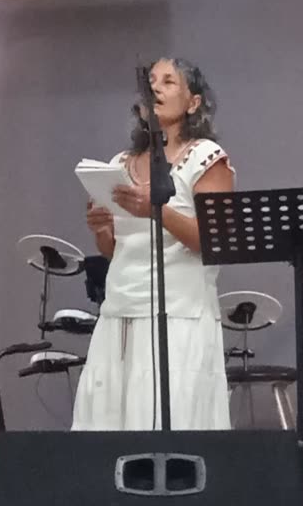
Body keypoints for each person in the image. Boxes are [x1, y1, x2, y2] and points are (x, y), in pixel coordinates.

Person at [72, 57, 234, 431]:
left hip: (179, 314)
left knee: (169, 426)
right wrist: (102, 231)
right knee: (110, 429)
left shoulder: (206, 158)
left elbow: (216, 241)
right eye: (151, 82)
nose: (155, 88)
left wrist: (157, 211)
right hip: (120, 310)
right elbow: (116, 251)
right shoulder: (121, 162)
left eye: (168, 82)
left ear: (193, 103)